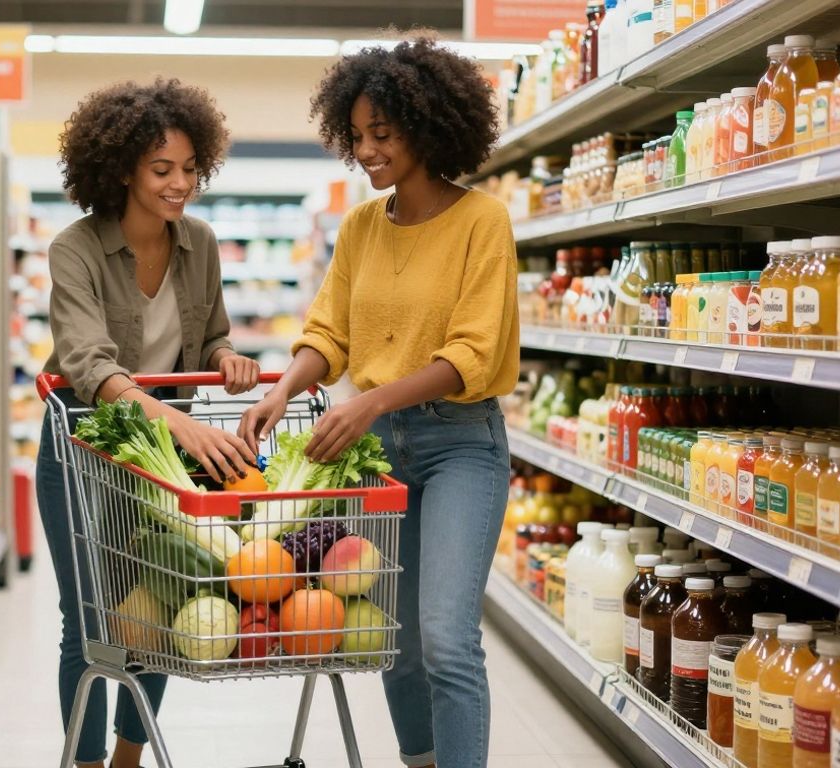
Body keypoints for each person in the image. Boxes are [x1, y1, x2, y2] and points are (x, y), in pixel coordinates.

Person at [239, 34, 519, 768]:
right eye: (357, 136)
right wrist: (283, 389)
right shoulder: (361, 227)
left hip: (462, 444)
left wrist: (369, 400)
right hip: (379, 452)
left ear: (427, 128)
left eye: (383, 135)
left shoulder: (482, 223)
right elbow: (329, 332)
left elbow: (472, 354)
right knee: (392, 639)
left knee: (447, 640)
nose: (366, 151)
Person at [38, 78, 261, 768]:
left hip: (161, 455)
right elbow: (92, 368)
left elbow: (212, 333)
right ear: (123, 169)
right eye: (162, 169)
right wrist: (184, 427)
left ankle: (130, 757)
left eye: (191, 169)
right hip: (82, 447)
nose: (180, 184)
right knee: (89, 621)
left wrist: (227, 357)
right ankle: (85, 760)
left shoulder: (200, 243)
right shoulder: (75, 250)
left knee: (157, 607)